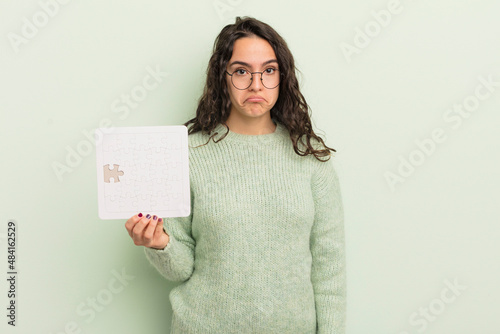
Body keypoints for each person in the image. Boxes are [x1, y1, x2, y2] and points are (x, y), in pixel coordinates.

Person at [124, 16, 346, 334]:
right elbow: (182, 268)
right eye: (241, 71)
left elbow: (330, 267)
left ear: (282, 77)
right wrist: (160, 243)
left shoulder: (311, 158)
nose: (256, 85)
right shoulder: (188, 155)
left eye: (269, 70)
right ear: (223, 77)